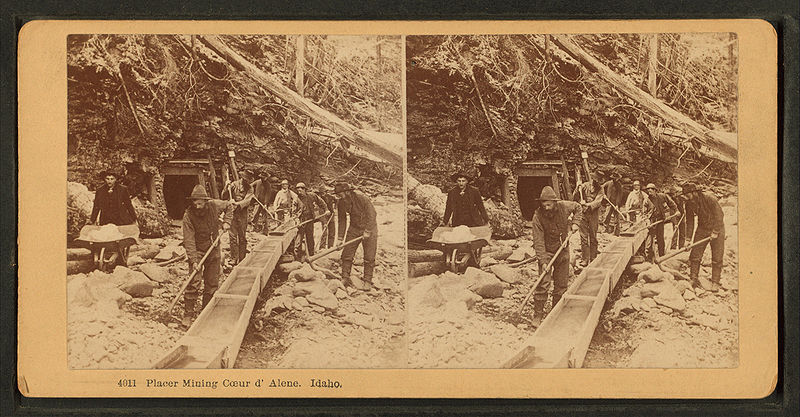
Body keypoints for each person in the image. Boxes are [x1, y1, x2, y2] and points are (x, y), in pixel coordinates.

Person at [181, 184, 236, 326]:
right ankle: (188, 313)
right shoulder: (188, 215)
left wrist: (226, 222)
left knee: (212, 282)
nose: (197, 206)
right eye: (195, 203)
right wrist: (193, 260)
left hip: (213, 247)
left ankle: (206, 310)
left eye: (200, 203)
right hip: (198, 250)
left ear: (205, 201)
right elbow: (189, 240)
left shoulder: (214, 205)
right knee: (194, 281)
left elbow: (230, 206)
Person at [530, 186, 583, 327]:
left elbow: (578, 207)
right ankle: (538, 314)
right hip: (546, 252)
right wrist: (543, 262)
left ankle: (556, 311)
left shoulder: (564, 207)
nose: (546, 207)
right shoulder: (537, 217)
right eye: (544, 204)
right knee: (543, 283)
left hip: (563, 250)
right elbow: (538, 242)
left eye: (549, 204)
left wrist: (575, 223)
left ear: (554, 202)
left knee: (561, 284)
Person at [335, 181, 378, 291]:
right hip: (354, 228)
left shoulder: (362, 198)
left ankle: (367, 280)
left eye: (340, 194)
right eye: (337, 195)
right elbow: (342, 220)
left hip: (370, 227)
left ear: (347, 192)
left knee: (369, 256)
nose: (338, 196)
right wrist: (340, 238)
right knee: (347, 254)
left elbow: (372, 215)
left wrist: (367, 231)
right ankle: (345, 277)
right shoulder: (341, 202)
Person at [683, 183, 726, 291]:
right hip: (702, 228)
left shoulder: (709, 198)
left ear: (694, 192)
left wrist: (715, 231)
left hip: (718, 227)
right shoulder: (689, 203)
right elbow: (690, 221)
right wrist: (688, 239)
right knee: (695, 254)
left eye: (687, 194)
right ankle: (693, 278)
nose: (686, 197)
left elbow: (720, 215)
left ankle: (715, 281)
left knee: (717, 256)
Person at [573, 173, 604, 266]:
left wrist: (587, 204)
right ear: (593, 180)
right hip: (583, 214)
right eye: (596, 181)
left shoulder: (600, 189)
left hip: (593, 214)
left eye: (599, 181)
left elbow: (598, 202)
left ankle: (593, 258)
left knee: (593, 236)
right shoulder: (584, 186)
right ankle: (585, 259)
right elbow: (575, 197)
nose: (597, 183)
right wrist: (577, 188)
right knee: (583, 237)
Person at [643, 183, 679, 260]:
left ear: (655, 190)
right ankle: (648, 258)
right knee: (650, 239)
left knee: (660, 238)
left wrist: (676, 210)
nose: (649, 192)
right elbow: (644, 213)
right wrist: (647, 222)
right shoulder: (646, 200)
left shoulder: (662, 196)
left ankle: (662, 256)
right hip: (652, 221)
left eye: (651, 190)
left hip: (660, 220)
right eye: (648, 190)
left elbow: (671, 203)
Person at [226, 175, 254, 266]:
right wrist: (226, 188)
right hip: (232, 214)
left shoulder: (250, 188)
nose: (248, 183)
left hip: (242, 214)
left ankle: (242, 259)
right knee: (232, 237)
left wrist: (237, 203)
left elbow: (247, 201)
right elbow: (224, 195)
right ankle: (234, 258)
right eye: (246, 180)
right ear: (242, 179)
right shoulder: (233, 185)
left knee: (242, 237)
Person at [295, 182, 328, 256]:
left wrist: (326, 209)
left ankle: (311, 254)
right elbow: (294, 211)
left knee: (310, 237)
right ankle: (298, 256)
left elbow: (321, 202)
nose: (299, 192)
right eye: (298, 190)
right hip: (302, 220)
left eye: (301, 190)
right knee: (299, 238)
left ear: (304, 189)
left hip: (310, 219)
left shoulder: (312, 195)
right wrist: (296, 219)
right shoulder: (296, 199)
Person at [317, 184, 338, 250]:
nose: (323, 194)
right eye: (321, 193)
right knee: (324, 231)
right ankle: (322, 247)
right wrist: (324, 220)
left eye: (324, 192)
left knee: (332, 231)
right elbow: (319, 209)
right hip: (323, 215)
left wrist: (335, 208)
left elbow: (337, 200)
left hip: (331, 215)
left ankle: (330, 246)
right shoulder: (318, 199)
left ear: (326, 192)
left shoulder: (330, 197)